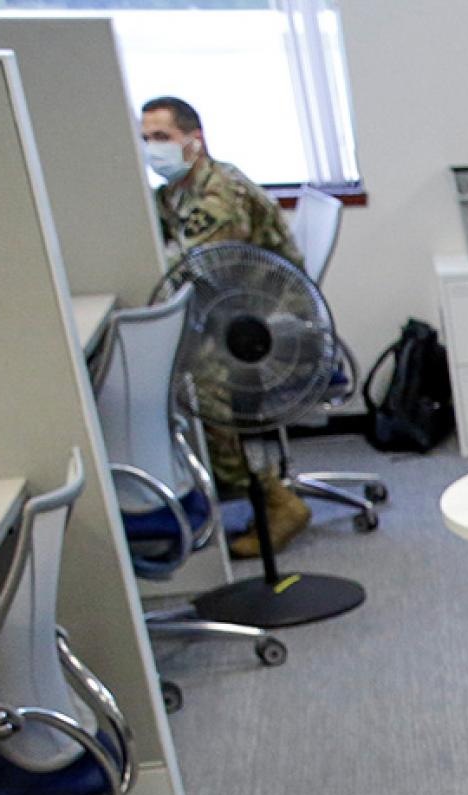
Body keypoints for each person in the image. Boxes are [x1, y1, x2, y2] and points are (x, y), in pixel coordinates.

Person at [138, 96, 311, 556]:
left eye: (162, 138)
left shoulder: (218, 195)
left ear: (195, 142)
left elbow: (195, 270)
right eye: (146, 139)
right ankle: (233, 488)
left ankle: (274, 501)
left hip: (269, 323)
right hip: (232, 312)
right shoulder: (174, 195)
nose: (153, 149)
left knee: (196, 382)